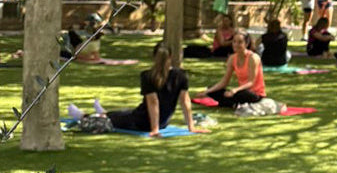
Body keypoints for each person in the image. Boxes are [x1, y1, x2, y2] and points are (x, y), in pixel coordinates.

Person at [67, 43, 205, 137]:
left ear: (153, 57)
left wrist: (154, 129)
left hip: (143, 122)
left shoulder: (148, 75)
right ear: (170, 57)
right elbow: (185, 102)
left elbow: (153, 103)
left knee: (114, 119)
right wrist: (191, 127)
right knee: (124, 112)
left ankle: (83, 116)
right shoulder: (180, 75)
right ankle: (103, 112)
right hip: (161, 121)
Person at [197, 30, 267, 107]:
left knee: (239, 94)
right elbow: (224, 81)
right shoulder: (232, 58)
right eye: (234, 42)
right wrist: (207, 91)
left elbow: (251, 82)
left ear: (246, 44)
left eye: (240, 42)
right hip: (239, 91)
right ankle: (231, 102)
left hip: (254, 93)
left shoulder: (253, 58)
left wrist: (235, 90)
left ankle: (230, 102)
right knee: (213, 89)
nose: (236, 45)